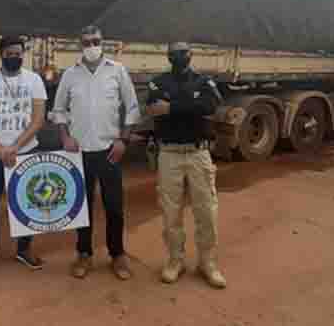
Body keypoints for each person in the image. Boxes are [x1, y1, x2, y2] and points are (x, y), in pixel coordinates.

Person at [52, 25, 141, 280]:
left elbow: (132, 107)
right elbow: (59, 110)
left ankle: (117, 254)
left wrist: (123, 140)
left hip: (109, 150)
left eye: (96, 41)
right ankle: (84, 254)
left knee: (114, 206)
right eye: (87, 42)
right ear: (80, 45)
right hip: (79, 152)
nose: (92, 46)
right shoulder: (71, 74)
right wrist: (65, 137)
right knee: (82, 207)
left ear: (103, 42)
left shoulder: (117, 70)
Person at [145, 42, 227, 289]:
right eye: (175, 53)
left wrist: (171, 107)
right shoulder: (157, 82)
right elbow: (153, 108)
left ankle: (207, 262)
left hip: (198, 154)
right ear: (168, 56)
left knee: (207, 212)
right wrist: (191, 105)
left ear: (191, 55)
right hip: (169, 154)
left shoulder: (204, 81)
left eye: (184, 53)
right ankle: (175, 260)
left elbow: (211, 106)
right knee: (171, 213)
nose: (180, 57)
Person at [0, 35, 47, 276]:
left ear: (23, 54)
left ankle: (24, 249)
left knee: (28, 203)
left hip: (25, 151)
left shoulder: (34, 80)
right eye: (9, 53)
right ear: (0, 54)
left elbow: (38, 119)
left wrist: (15, 147)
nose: (14, 57)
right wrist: (0, 149)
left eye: (18, 53)